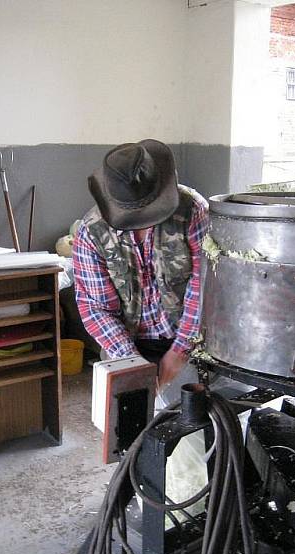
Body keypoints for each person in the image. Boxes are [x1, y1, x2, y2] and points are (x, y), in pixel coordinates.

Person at [72, 139, 209, 389]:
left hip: (190, 338)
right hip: (125, 344)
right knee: (128, 422)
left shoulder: (191, 210)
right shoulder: (91, 232)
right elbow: (95, 306)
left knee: (194, 420)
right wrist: (131, 361)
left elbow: (203, 285)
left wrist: (180, 350)